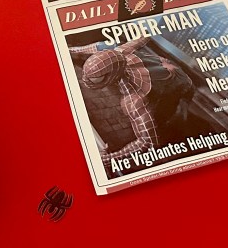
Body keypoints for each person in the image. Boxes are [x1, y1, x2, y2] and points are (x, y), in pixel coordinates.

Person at [71, 36, 194, 169]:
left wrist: (109, 159)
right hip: (169, 69)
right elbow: (143, 37)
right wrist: (70, 51)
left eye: (96, 79)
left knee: (170, 122)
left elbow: (147, 142)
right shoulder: (117, 50)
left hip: (181, 87)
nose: (86, 81)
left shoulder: (135, 98)